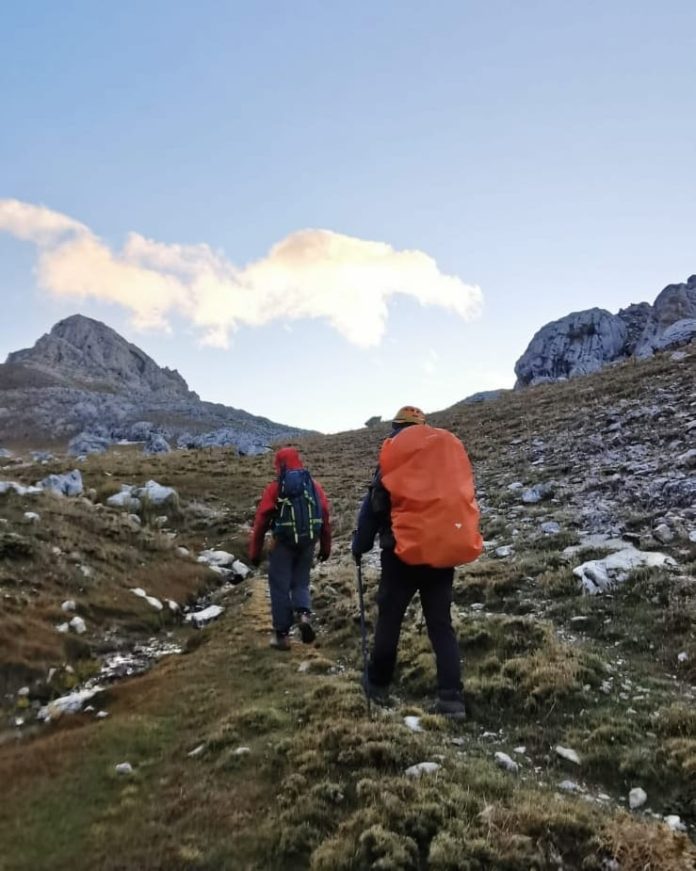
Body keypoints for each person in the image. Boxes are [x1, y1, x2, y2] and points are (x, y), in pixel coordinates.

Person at [352, 406, 480, 719]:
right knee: (440, 624)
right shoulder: (442, 457)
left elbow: (373, 506)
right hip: (441, 555)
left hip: (401, 556)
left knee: (390, 619)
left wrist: (360, 545)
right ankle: (452, 699)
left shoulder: (394, 456)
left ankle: (378, 683)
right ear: (423, 425)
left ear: (396, 427)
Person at [249, 446, 331, 650]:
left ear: (279, 465)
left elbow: (261, 521)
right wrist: (325, 546)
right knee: (301, 582)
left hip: (283, 544)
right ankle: (303, 615)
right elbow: (325, 515)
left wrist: (255, 552)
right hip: (308, 542)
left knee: (280, 587)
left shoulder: (275, 488)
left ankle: (282, 636)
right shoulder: (314, 486)